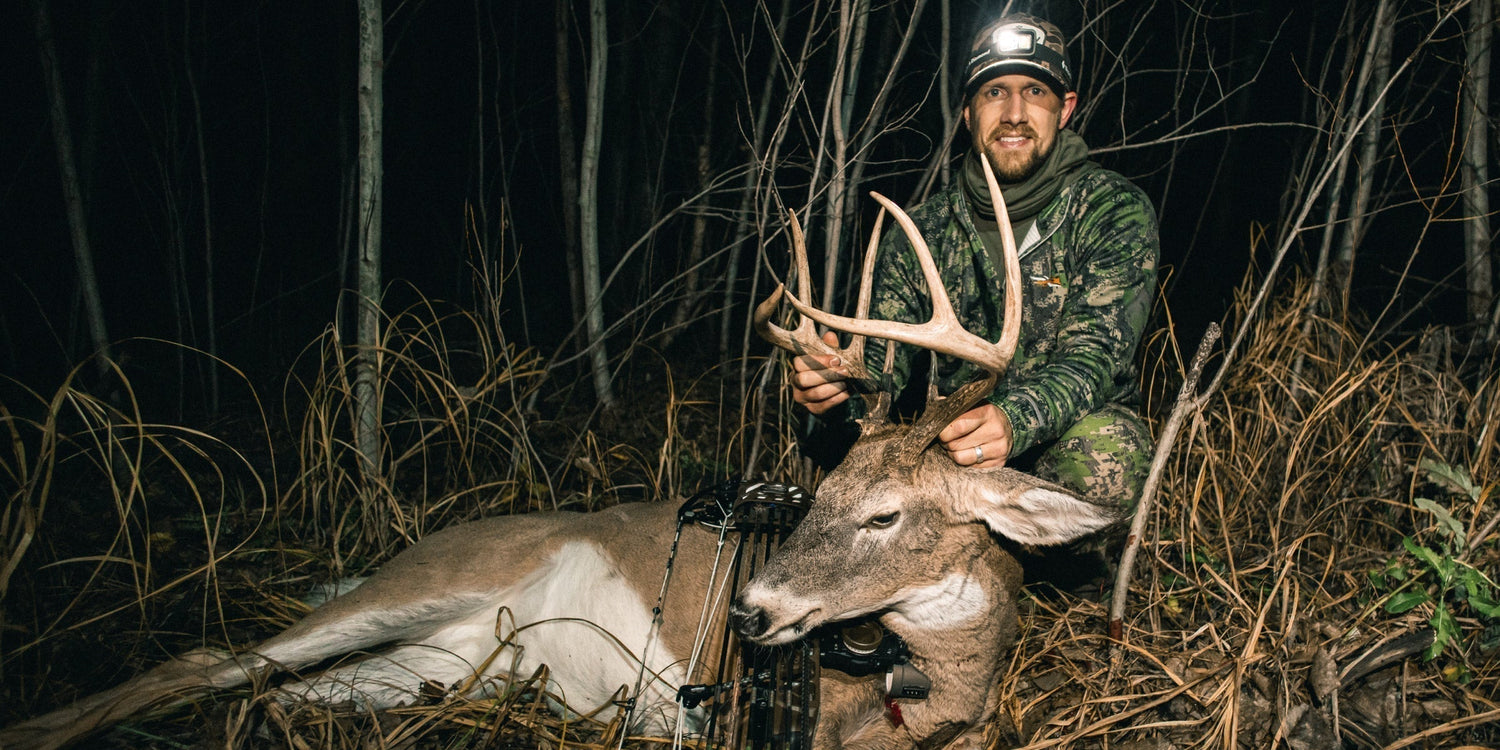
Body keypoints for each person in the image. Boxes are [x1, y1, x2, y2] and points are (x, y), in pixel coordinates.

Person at [790, 12, 1159, 513]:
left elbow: (1093, 360)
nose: (1013, 113)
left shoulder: (1112, 210)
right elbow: (880, 371)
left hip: (1059, 437)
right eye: (993, 92)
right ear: (968, 113)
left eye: (1034, 91)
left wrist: (1013, 419)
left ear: (1065, 108)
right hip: (952, 447)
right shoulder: (922, 229)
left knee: (1105, 458)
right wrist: (833, 390)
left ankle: (1063, 580)